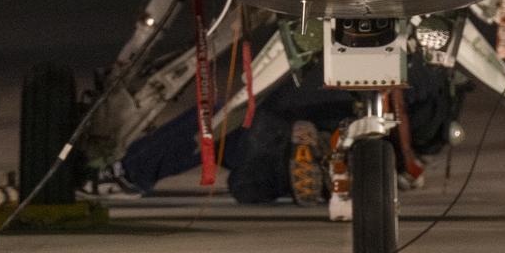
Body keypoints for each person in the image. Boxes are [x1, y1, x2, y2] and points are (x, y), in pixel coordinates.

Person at [91, 55, 463, 204]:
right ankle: (316, 165)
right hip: (354, 130)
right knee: (247, 172)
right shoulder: (427, 79)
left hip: (290, 125)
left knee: (235, 136)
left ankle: (127, 173)